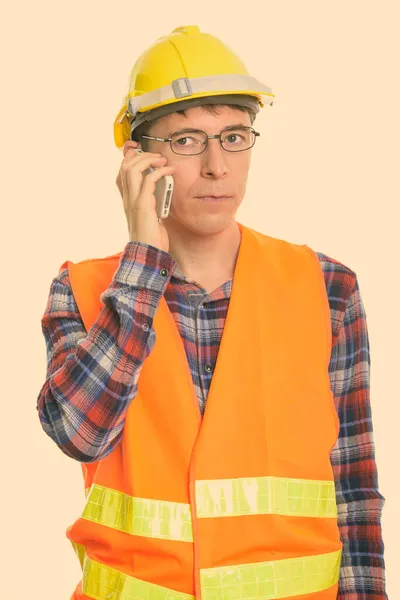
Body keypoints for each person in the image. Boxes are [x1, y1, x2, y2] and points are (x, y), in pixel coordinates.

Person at [37, 25, 388, 600]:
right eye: (186, 141)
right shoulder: (81, 290)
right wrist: (144, 257)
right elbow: (80, 432)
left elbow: (353, 488)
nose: (217, 167)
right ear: (137, 158)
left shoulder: (328, 289)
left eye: (233, 137)